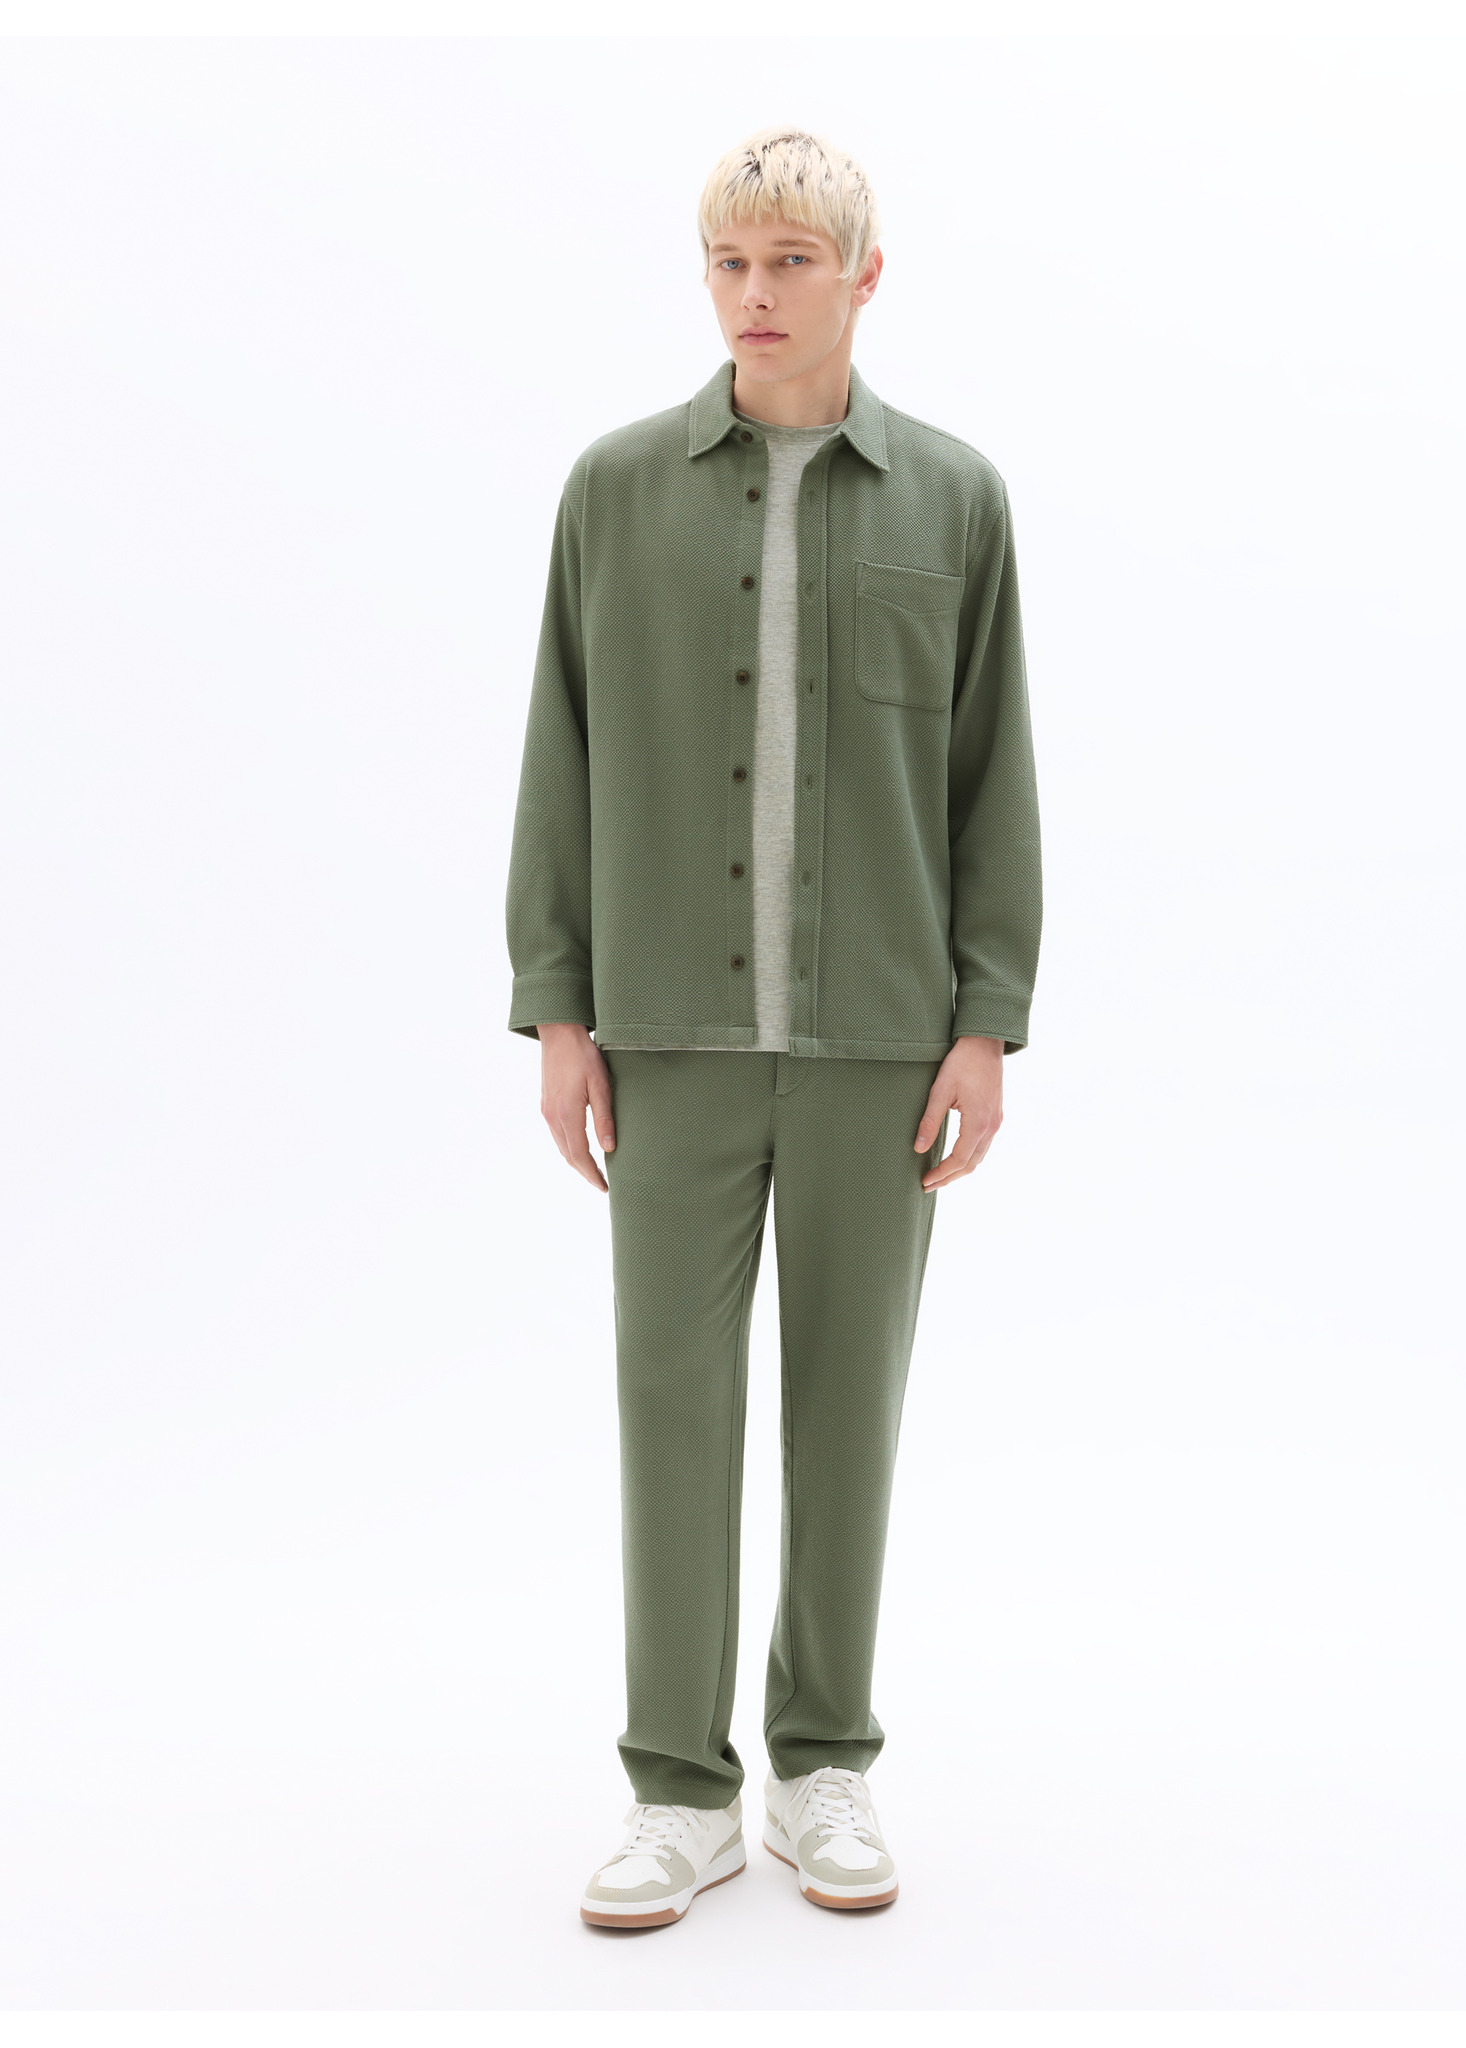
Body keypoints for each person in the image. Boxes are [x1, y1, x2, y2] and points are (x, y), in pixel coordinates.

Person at [505, 127, 1042, 1928]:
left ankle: (824, 1765)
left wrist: (987, 1020)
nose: (755, 293)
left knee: (847, 1407)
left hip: (883, 1040)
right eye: (731, 262)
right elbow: (560, 747)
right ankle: (680, 1789)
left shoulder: (955, 499)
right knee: (669, 1402)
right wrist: (558, 1005)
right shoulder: (613, 489)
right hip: (665, 1030)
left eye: (792, 262)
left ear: (863, 278)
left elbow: (992, 771)